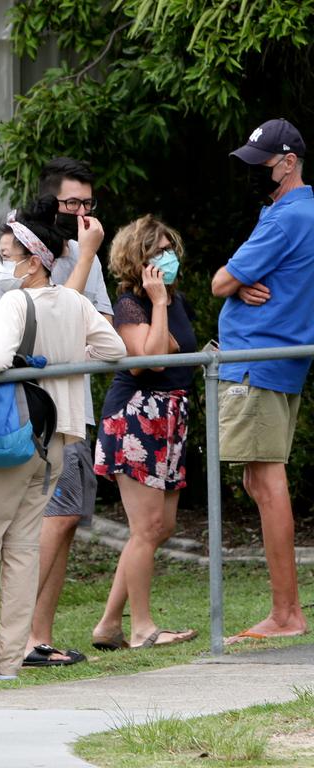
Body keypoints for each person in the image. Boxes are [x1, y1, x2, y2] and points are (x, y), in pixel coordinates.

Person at [0, 198, 125, 683]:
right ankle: (9, 660)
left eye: (7, 254)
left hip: (9, 438)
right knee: (21, 551)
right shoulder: (77, 303)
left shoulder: (17, 301)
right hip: (55, 441)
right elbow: (115, 349)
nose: (1, 265)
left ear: (34, 260)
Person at [211, 117, 314, 643]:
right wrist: (243, 285)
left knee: (267, 484)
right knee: (259, 480)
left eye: (264, 165)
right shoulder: (302, 210)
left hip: (257, 360)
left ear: (289, 162)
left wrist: (236, 285)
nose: (256, 175)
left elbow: (219, 281)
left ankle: (286, 615)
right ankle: (286, 611)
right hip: (279, 360)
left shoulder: (284, 218)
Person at [19, 157, 112, 667]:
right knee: (51, 517)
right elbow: (54, 321)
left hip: (78, 403)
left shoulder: (87, 254)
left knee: (67, 517)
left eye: (86, 204)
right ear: (50, 201)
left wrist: (86, 257)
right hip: (36, 406)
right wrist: (84, 259)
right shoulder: (23, 250)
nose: (79, 213)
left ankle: (40, 636)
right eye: (70, 203)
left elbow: (96, 329)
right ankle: (19, 636)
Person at [92, 216, 199, 649]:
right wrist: (156, 303)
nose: (165, 257)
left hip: (172, 416)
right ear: (136, 260)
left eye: (169, 247)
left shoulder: (179, 302)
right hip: (137, 417)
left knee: (161, 527)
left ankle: (108, 625)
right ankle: (142, 629)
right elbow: (149, 361)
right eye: (155, 251)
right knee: (146, 526)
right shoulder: (130, 306)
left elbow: (179, 352)